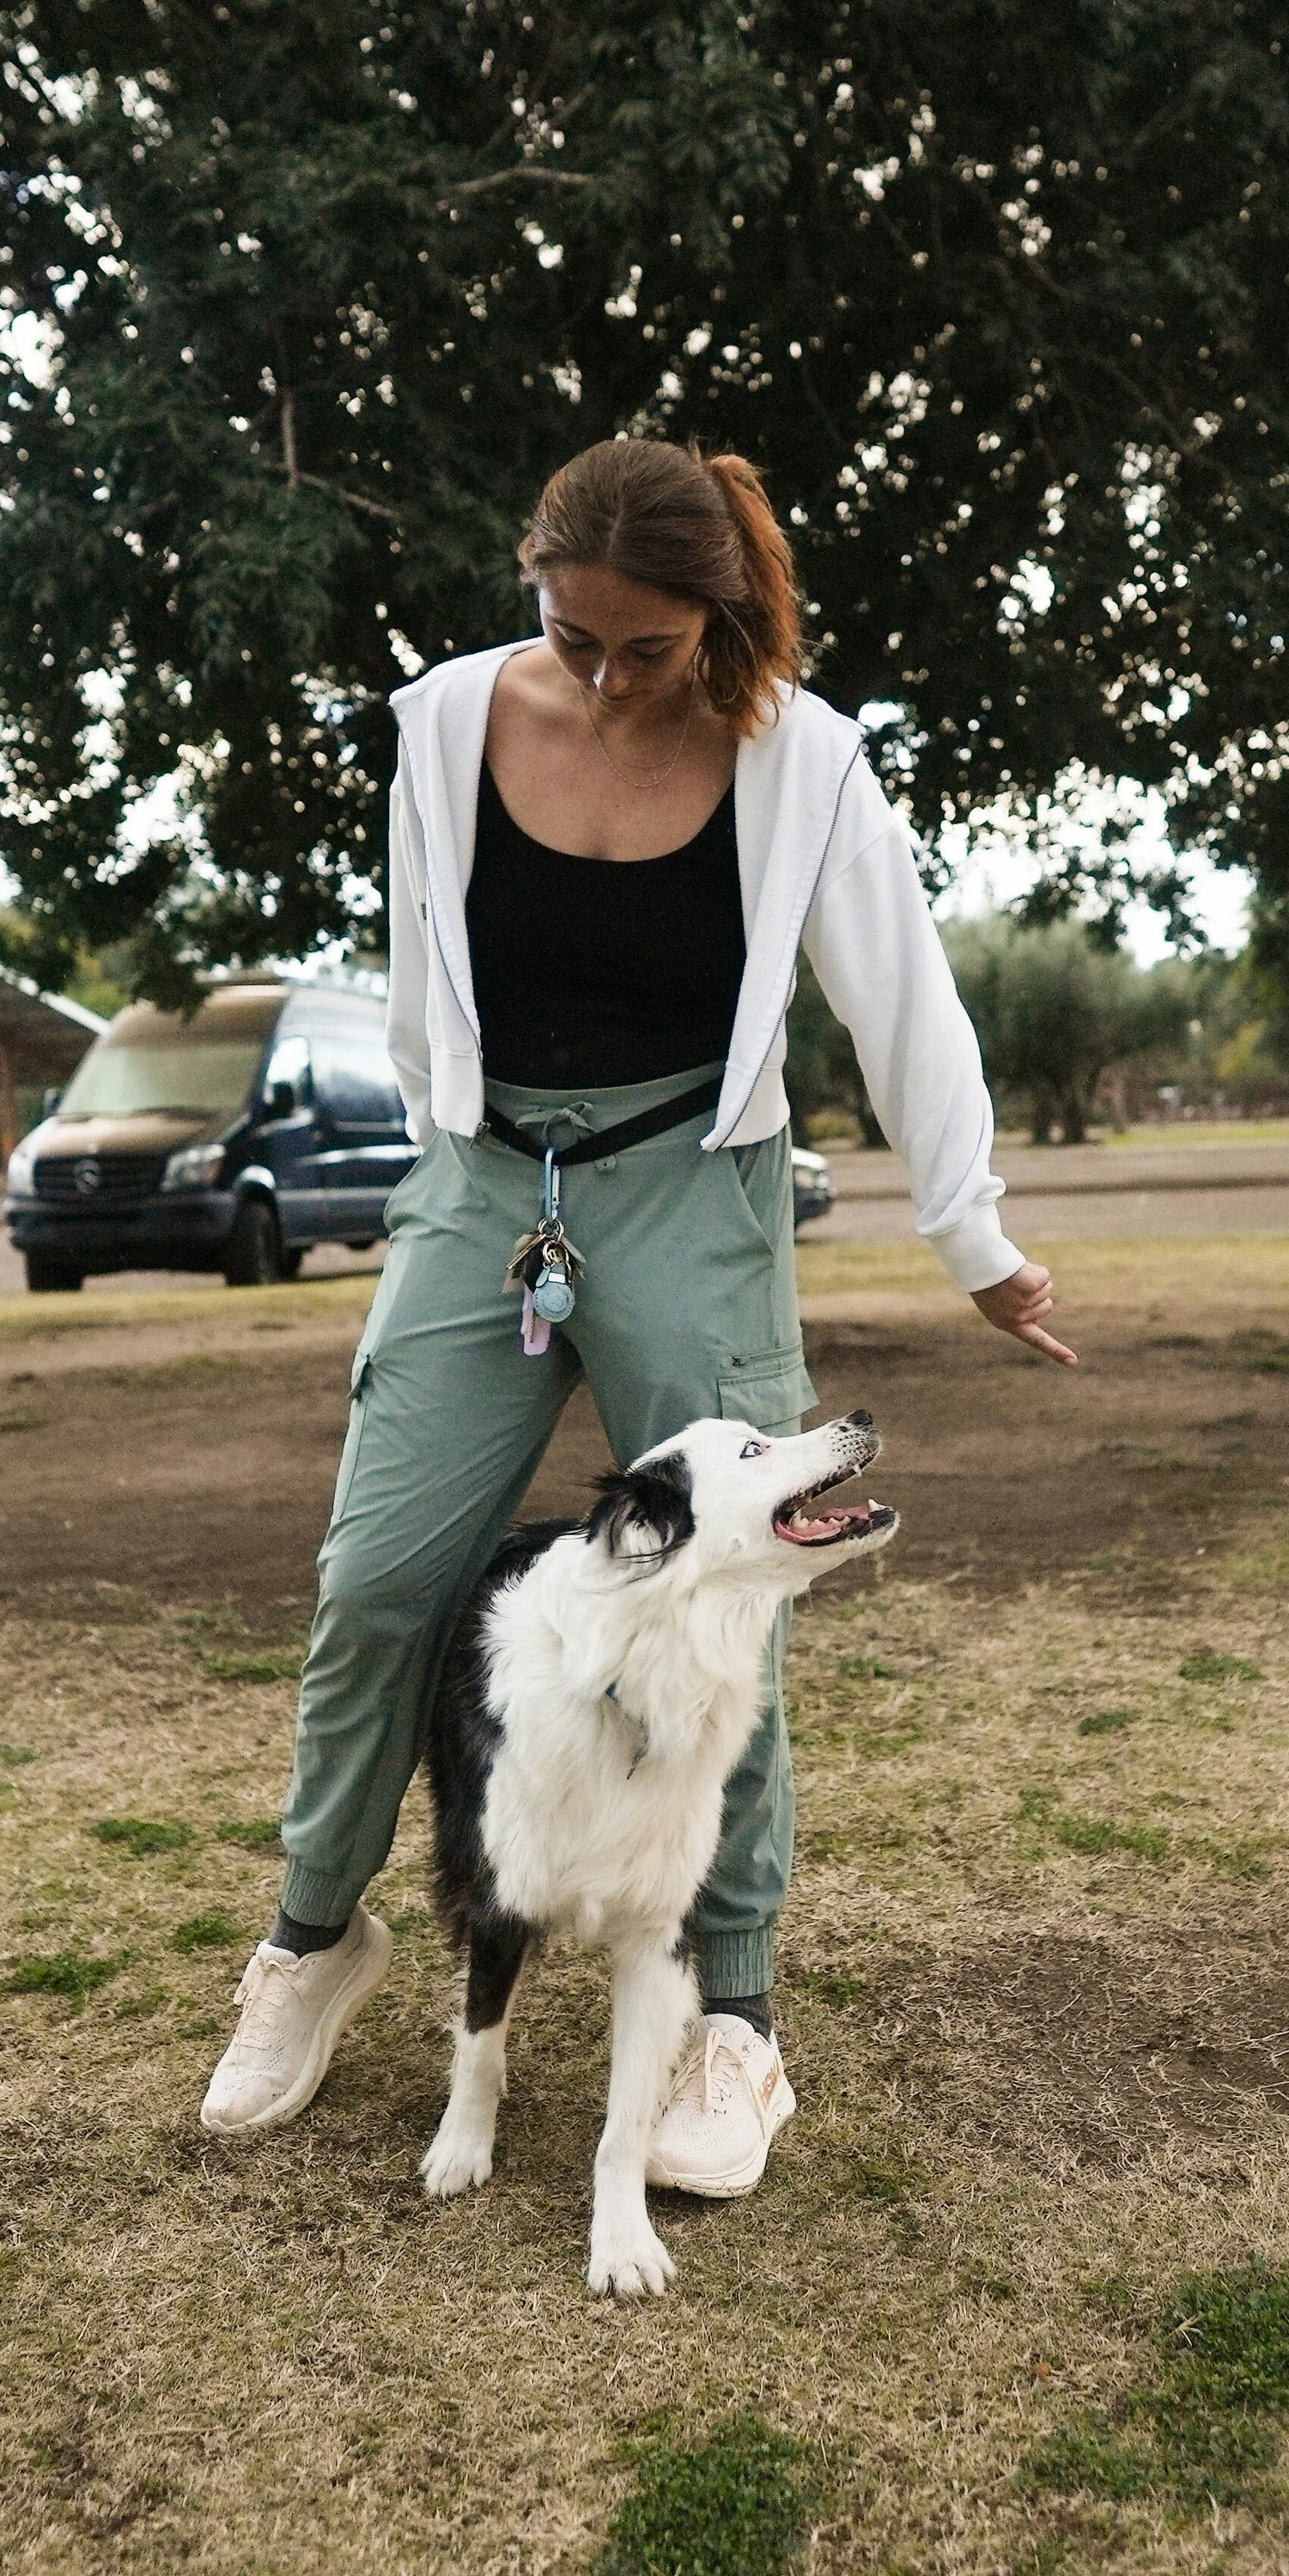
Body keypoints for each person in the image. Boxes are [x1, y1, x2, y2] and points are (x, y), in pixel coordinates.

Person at [201, 436, 1074, 2192]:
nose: (602, 680)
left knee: (725, 1595)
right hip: (482, 1187)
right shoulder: (444, 722)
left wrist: (970, 1233)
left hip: (691, 1179)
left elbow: (898, 992)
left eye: (645, 651)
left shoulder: (802, 757)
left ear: (717, 617)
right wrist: (454, 1175)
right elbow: (416, 980)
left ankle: (728, 2025)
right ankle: (312, 1937)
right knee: (378, 1576)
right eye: (570, 635)